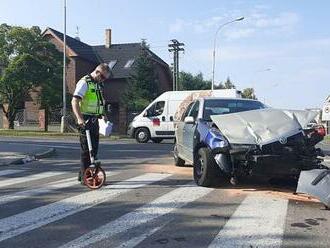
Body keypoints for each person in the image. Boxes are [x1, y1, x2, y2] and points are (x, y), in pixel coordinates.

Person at [71, 63, 111, 184]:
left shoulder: (98, 84)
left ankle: (83, 174)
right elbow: (74, 101)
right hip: (85, 119)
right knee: (86, 151)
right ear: (97, 72)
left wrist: (104, 114)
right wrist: (79, 119)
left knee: (93, 149)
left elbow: (99, 101)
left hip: (95, 119)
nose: (103, 80)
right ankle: (86, 178)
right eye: (103, 77)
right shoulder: (84, 82)